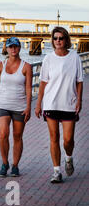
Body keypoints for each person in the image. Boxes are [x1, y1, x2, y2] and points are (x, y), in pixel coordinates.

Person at [35, 27, 83, 184]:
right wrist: (38, 104)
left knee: (68, 140)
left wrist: (79, 101)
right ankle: (56, 171)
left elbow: (79, 81)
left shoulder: (74, 57)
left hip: (68, 103)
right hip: (51, 103)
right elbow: (43, 82)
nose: (58, 41)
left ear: (66, 39)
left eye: (61, 38)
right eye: (55, 38)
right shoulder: (48, 58)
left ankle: (68, 158)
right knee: (54, 137)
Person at [0, 37, 32, 177]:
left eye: (15, 47)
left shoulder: (26, 66)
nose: (13, 49)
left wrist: (29, 107)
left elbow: (29, 88)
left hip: (20, 106)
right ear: (6, 48)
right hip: (3, 105)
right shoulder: (0, 65)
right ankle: (5, 163)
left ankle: (15, 165)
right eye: (10, 47)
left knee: (17, 136)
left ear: (19, 48)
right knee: (3, 133)